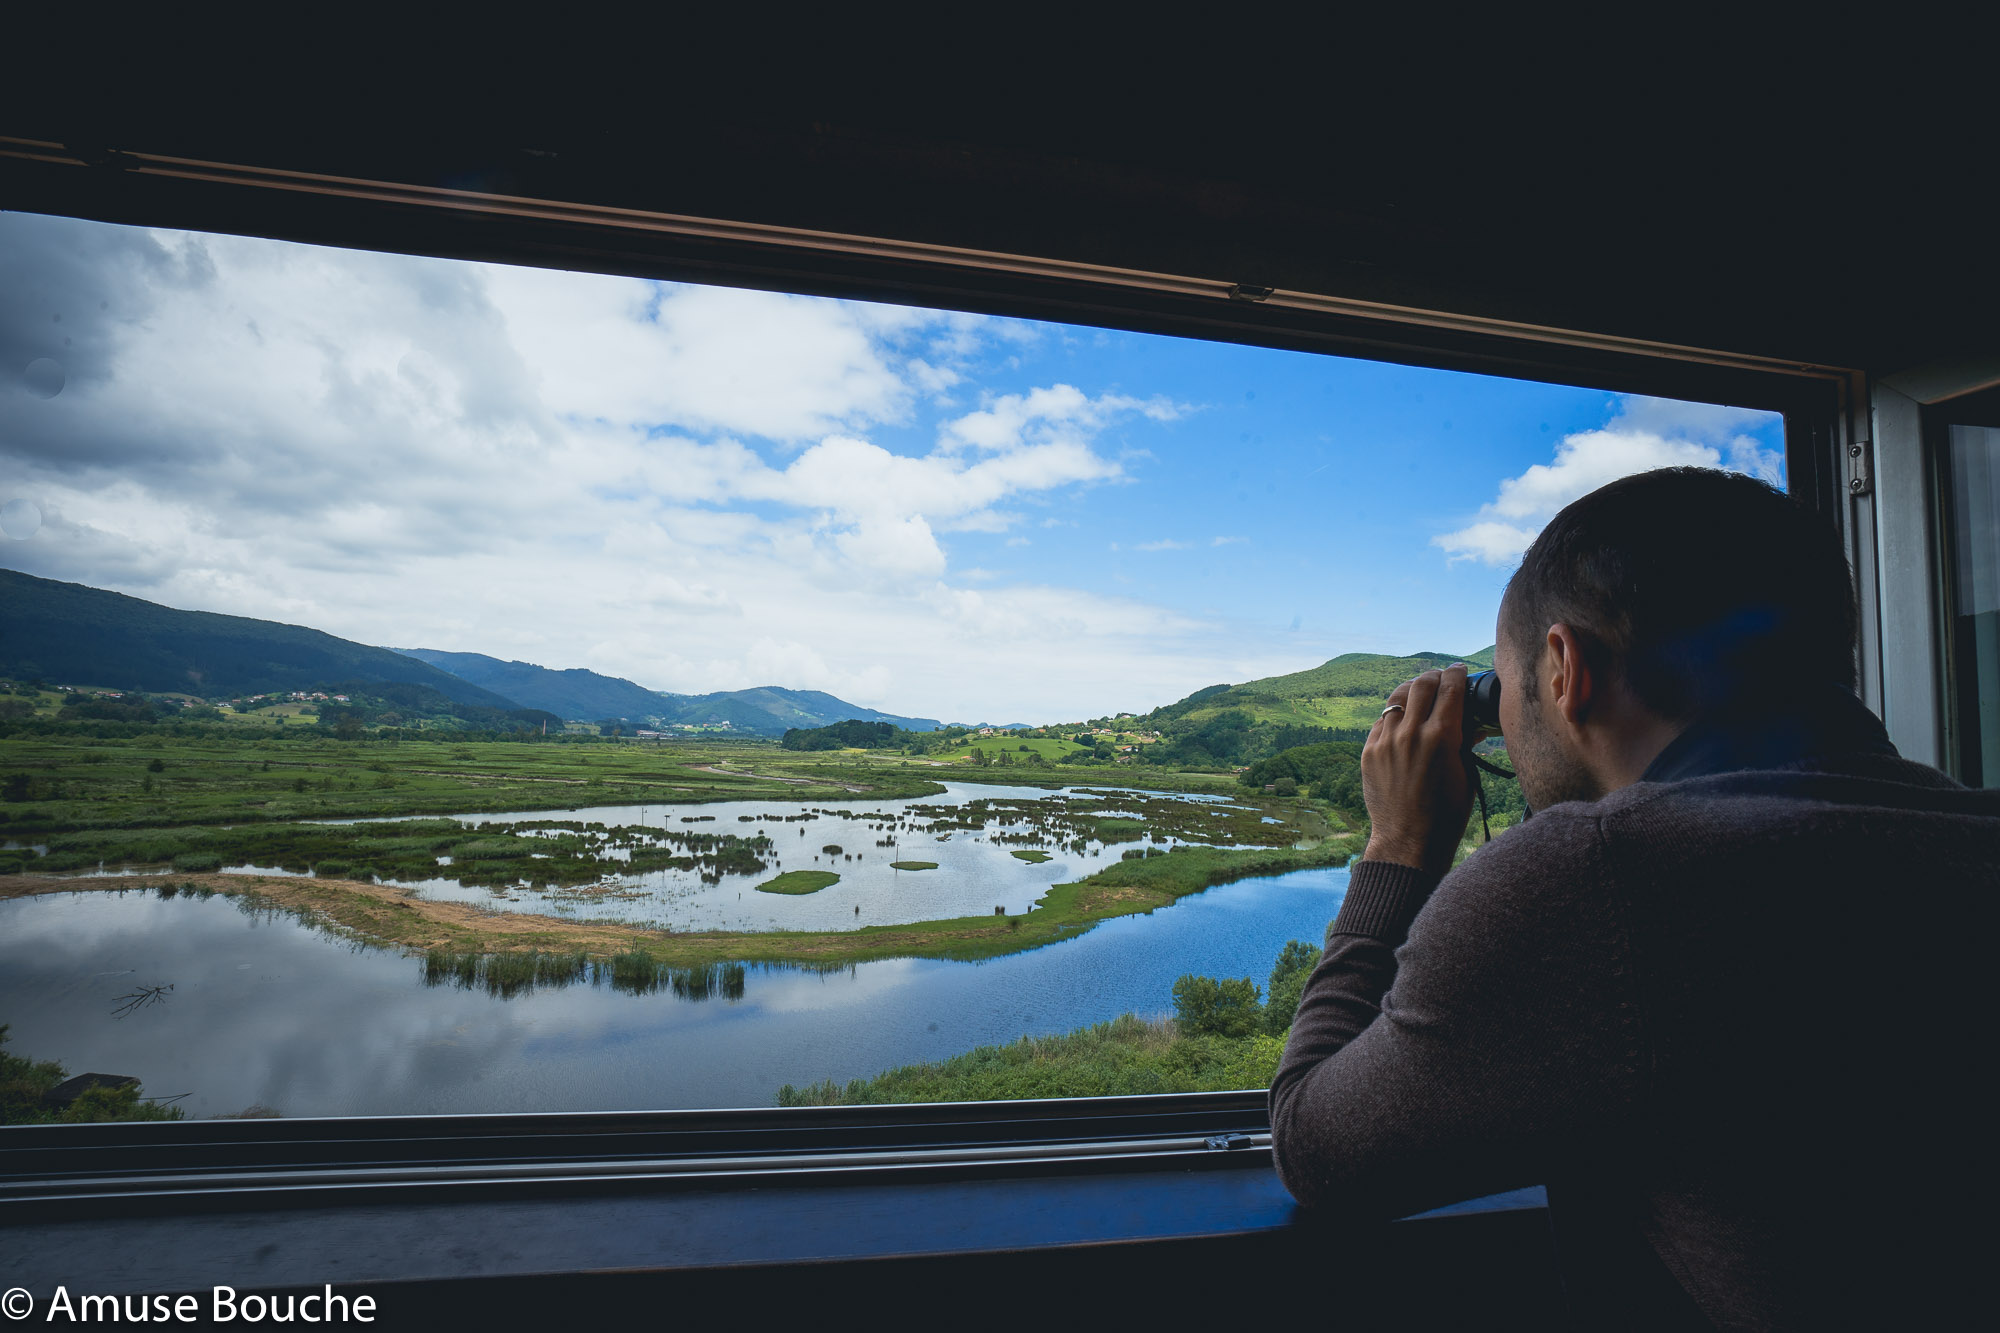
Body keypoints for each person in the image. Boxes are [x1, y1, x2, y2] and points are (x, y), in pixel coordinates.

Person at [1268, 467, 1999, 1330]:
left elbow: (1316, 1148)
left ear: (1565, 665)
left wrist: (1397, 848)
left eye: (1508, 690)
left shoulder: (1596, 876)